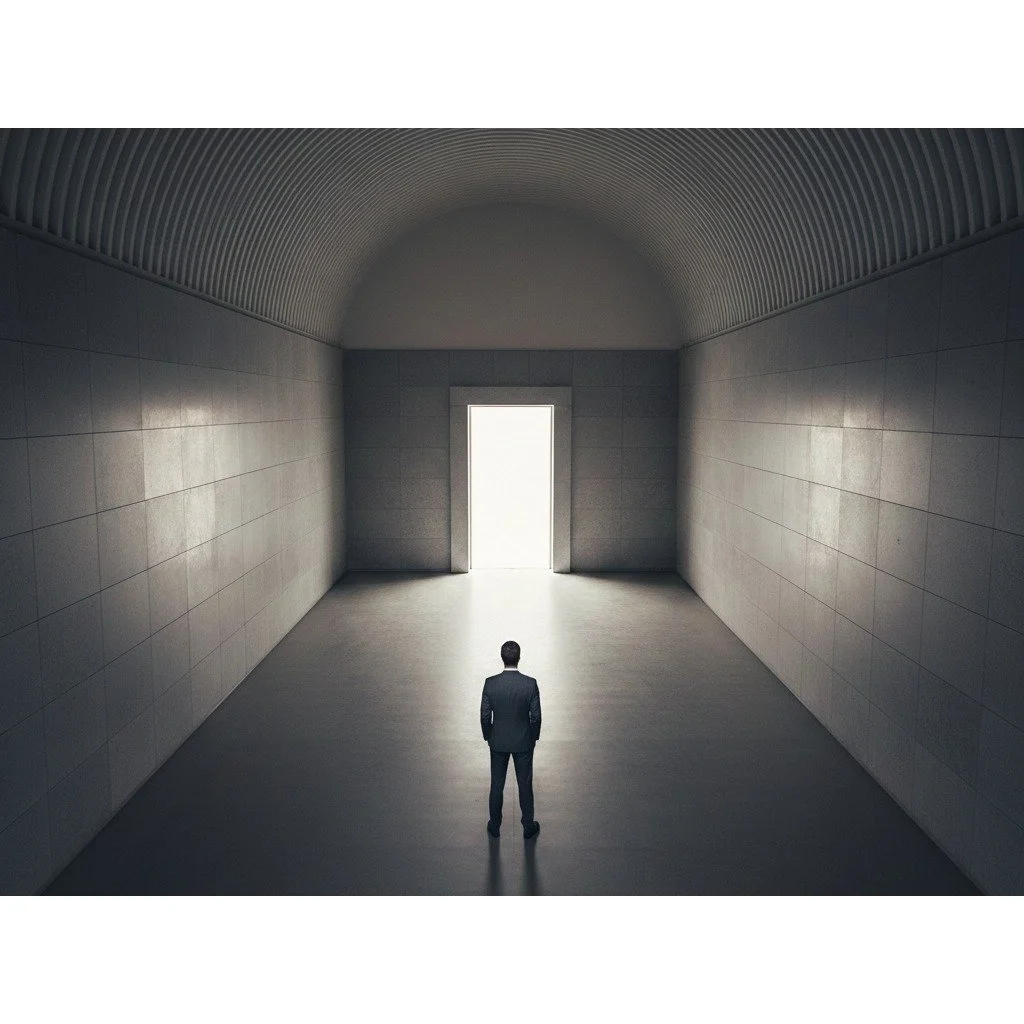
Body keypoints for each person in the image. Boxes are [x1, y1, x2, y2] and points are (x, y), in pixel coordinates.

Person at [480, 640, 542, 840]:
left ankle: (495, 825)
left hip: (498, 742)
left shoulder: (491, 683)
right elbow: (536, 716)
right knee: (525, 784)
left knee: (497, 784)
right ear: (519, 657)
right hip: (523, 742)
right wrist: (533, 737)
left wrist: (488, 734)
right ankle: (527, 826)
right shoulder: (529, 684)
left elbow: (484, 715)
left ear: (501, 657)